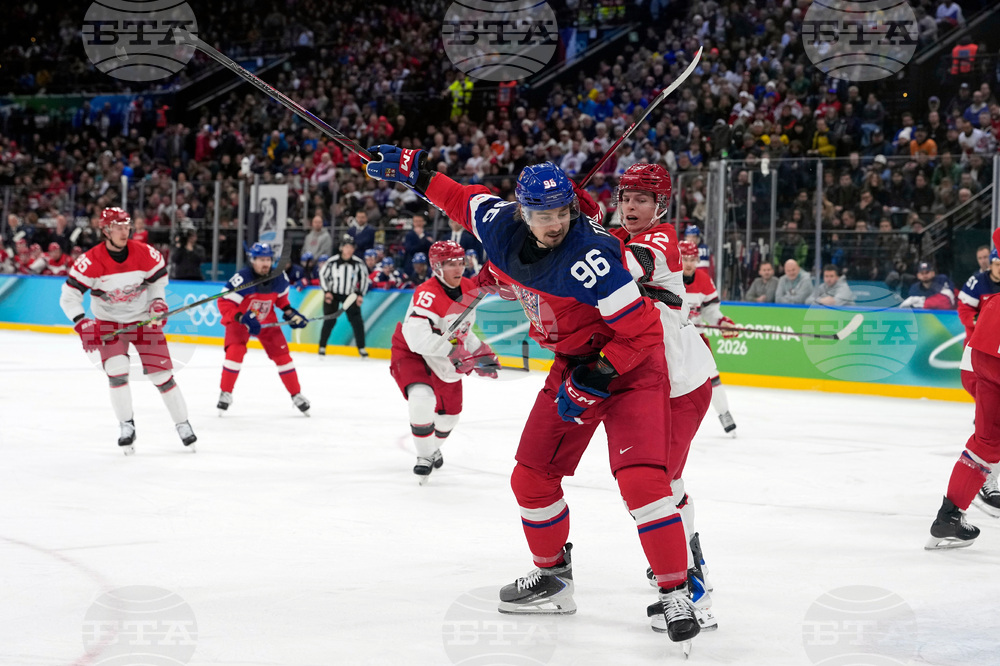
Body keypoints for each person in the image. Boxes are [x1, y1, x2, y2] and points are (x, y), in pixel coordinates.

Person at [364, 145, 701, 648]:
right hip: (571, 362)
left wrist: (598, 375)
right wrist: (414, 172)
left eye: (562, 212)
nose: (554, 223)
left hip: (629, 371)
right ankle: (554, 578)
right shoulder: (497, 224)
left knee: (643, 483)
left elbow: (644, 336)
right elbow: (458, 198)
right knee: (531, 478)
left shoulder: (595, 258)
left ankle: (676, 591)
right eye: (542, 213)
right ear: (520, 211)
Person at [611, 163, 719, 630]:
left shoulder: (661, 239)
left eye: (641, 200)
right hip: (652, 386)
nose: (631, 207)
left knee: (660, 486)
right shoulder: (615, 238)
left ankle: (693, 589)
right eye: (626, 198)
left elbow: (627, 267)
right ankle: (685, 569)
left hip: (681, 385)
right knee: (666, 485)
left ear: (660, 206)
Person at [59, 207, 197, 454]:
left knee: (161, 376)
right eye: (118, 227)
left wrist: (157, 303)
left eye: (126, 226)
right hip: (108, 322)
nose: (124, 231)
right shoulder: (90, 260)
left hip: (142, 319)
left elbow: (157, 284)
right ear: (105, 231)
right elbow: (69, 298)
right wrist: (82, 323)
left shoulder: (145, 253)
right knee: (117, 371)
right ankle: (126, 425)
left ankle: (183, 424)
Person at [389, 240, 499, 482]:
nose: (458, 268)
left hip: (444, 354)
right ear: (437, 267)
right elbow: (418, 341)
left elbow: (462, 330)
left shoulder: (469, 287)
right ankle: (424, 456)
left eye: (460, 262)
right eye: (451, 264)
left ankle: (429, 449)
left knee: (450, 417)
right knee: (421, 398)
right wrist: (456, 353)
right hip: (412, 353)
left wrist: (480, 352)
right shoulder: (426, 295)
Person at [927, 231, 1000, 549]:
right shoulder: (980, 280)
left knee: (985, 442)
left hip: (983, 352)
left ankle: (949, 517)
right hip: (988, 350)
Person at [215, 242, 311, 416]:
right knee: (234, 353)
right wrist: (241, 317)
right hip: (241, 321)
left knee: (283, 357)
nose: (265, 263)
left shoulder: (279, 277)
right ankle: (226, 393)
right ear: (253, 260)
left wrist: (291, 314)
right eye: (260, 259)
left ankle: (296, 395)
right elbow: (224, 303)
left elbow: (281, 301)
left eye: (267, 259)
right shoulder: (242, 278)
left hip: (267, 321)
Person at [678, 240, 739, 436]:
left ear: (697, 260)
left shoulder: (704, 280)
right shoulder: (668, 277)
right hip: (671, 338)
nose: (688, 263)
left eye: (692, 259)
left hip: (695, 339)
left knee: (711, 376)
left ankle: (724, 413)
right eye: (685, 258)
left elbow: (712, 311)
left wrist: (722, 323)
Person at [318, 235, 370, 358]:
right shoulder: (332, 262)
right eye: (347, 247)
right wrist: (327, 292)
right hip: (333, 294)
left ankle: (361, 348)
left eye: (351, 247)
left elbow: (364, 279)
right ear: (342, 248)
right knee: (329, 320)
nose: (349, 250)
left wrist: (360, 294)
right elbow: (322, 276)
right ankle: (322, 346)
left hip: (351, 296)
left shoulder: (358, 263)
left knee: (357, 322)